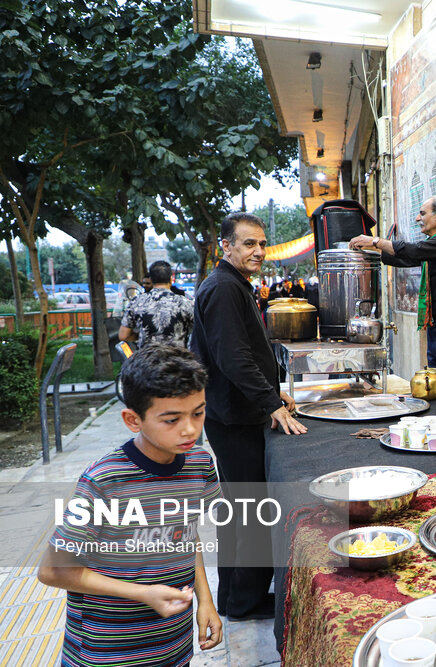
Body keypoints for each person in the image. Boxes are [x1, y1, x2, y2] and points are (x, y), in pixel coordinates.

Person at [38, 343, 223, 666]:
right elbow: (52, 571)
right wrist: (142, 593)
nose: (190, 429)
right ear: (132, 420)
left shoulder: (198, 463)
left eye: (198, 412)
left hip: (172, 645)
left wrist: (205, 601)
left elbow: (186, 534)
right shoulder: (104, 481)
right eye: (171, 419)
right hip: (107, 651)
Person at [190, 212, 308, 621]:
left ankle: (235, 596)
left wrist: (273, 390)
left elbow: (244, 350)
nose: (258, 251)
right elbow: (233, 357)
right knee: (250, 510)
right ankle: (243, 601)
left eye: (261, 244)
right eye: (247, 244)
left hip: (238, 410)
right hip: (232, 417)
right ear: (227, 246)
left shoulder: (233, 284)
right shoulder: (222, 288)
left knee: (243, 508)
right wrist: (270, 404)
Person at [349, 195, 436, 377]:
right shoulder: (434, 248)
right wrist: (370, 252)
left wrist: (376, 241)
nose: (418, 218)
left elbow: (415, 251)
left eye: (422, 213)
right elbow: (407, 258)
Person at [119, 260, 195, 348]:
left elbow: (123, 336)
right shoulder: (184, 302)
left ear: (151, 279)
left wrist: (141, 335)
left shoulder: (136, 302)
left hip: (146, 359)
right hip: (177, 359)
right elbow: (199, 330)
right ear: (171, 279)